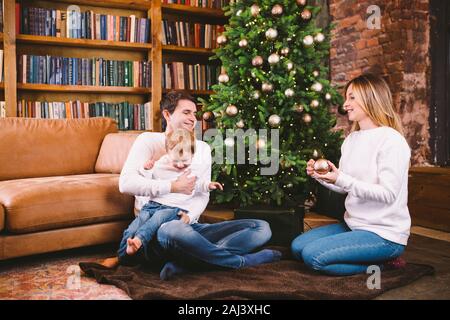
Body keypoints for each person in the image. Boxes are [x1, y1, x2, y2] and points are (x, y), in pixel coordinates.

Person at [114, 91, 280, 280]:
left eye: (194, 114)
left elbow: (202, 194)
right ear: (167, 114)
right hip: (156, 230)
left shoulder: (202, 148)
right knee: (172, 229)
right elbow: (126, 184)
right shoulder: (148, 141)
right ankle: (240, 262)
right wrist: (173, 186)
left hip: (190, 227)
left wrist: (189, 217)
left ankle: (188, 265)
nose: (193, 118)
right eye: (186, 112)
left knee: (261, 228)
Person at [291, 73, 410, 276]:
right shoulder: (352, 139)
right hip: (354, 225)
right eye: (347, 97)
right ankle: (374, 260)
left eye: (352, 97)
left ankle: (383, 264)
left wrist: (341, 178)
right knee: (297, 247)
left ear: (371, 98)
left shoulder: (392, 140)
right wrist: (322, 176)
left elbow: (388, 194)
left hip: (384, 234)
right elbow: (345, 185)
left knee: (313, 257)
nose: (345, 104)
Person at [117, 128, 223, 262]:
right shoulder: (161, 164)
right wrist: (146, 170)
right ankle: (122, 258)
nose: (180, 165)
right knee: (133, 226)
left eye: (184, 160)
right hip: (152, 205)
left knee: (154, 222)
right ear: (168, 153)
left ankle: (139, 240)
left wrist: (207, 185)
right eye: (176, 161)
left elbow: (196, 185)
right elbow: (151, 181)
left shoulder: (191, 169)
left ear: (192, 154)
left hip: (173, 209)